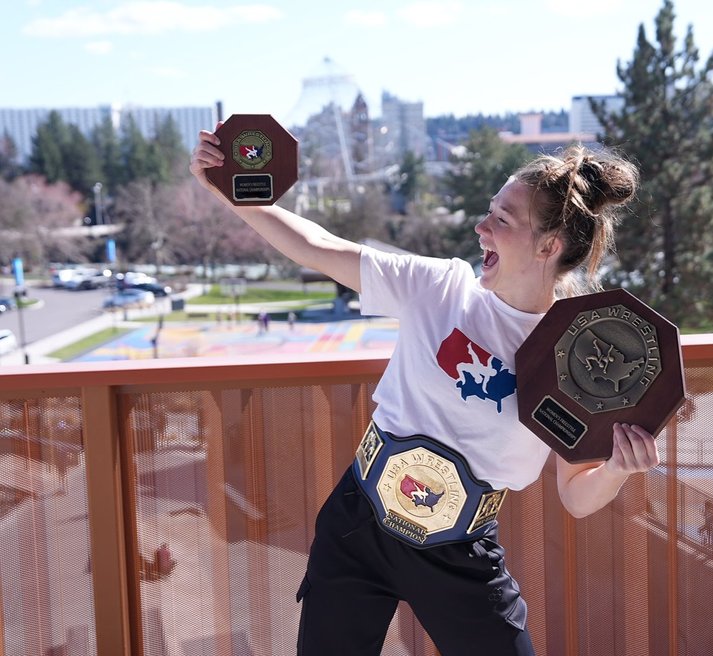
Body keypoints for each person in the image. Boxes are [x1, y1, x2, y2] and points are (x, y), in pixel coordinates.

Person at [191, 127, 659, 656]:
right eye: (489, 211)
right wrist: (230, 191)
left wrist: (618, 469)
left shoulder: (569, 356)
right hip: (358, 523)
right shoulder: (440, 286)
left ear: (548, 246)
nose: (480, 227)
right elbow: (318, 247)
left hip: (459, 552)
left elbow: (576, 496)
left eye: (502, 221)